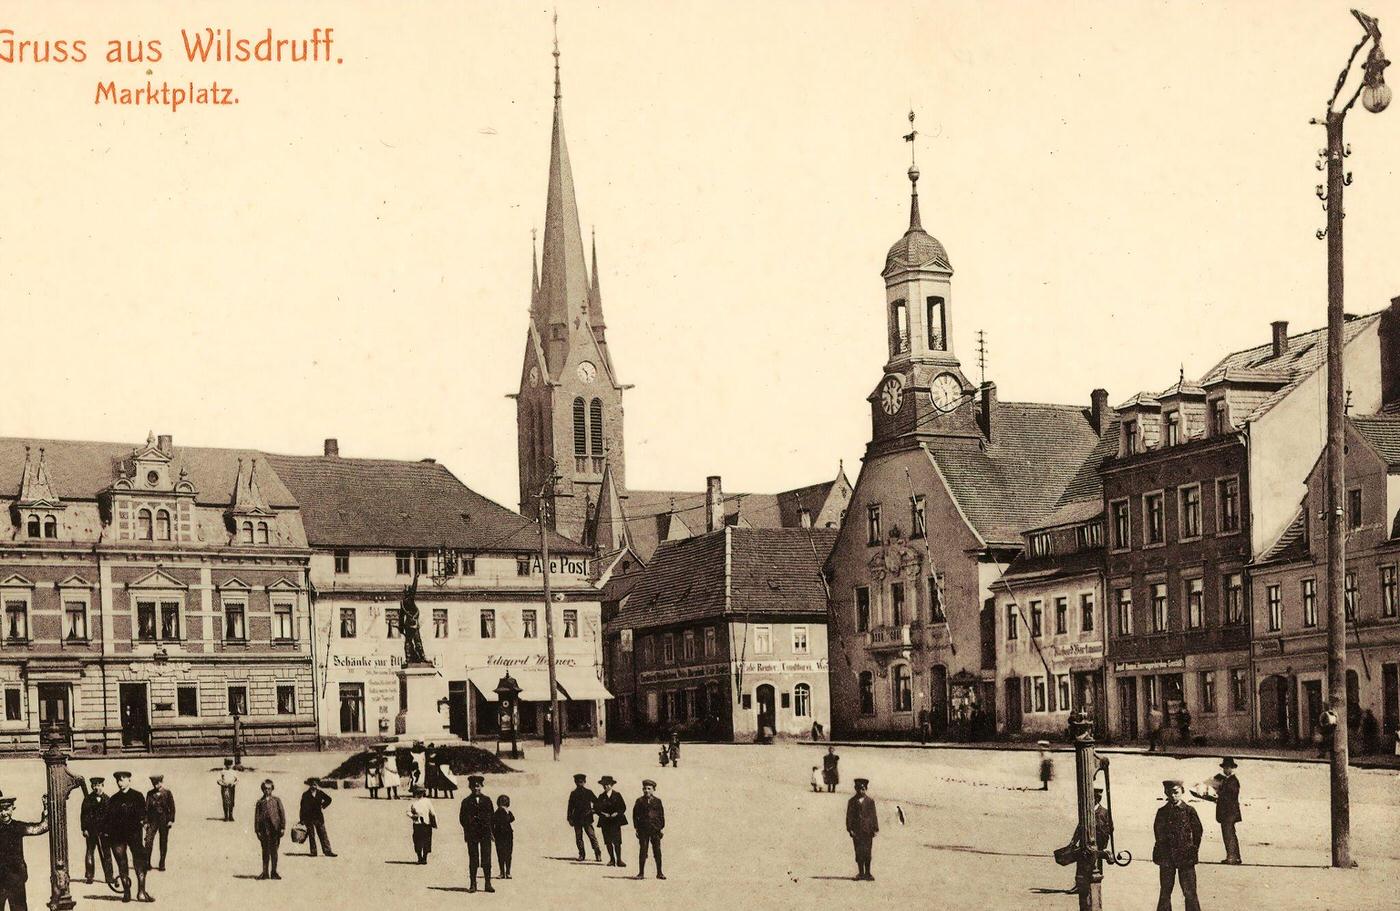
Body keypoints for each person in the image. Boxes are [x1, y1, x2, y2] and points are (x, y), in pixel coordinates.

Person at [1153, 779, 1203, 911]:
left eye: (1176, 792)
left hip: (1185, 857)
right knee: (1165, 892)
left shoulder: (1189, 811)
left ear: (1182, 792)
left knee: (1189, 892)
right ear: (1166, 793)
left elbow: (1198, 832)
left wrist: (1193, 849)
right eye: (1169, 793)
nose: (1173, 796)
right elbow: (1158, 833)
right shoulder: (1162, 812)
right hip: (1167, 858)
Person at [107, 770, 154, 903]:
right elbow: (109, 819)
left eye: (122, 779)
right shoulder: (113, 799)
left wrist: (144, 822)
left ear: (129, 780)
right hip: (117, 837)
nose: (119, 783)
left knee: (139, 861)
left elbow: (143, 814)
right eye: (118, 780)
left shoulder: (138, 796)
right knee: (122, 863)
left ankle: (141, 892)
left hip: (134, 835)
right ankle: (126, 892)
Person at [1063, 787, 1113, 907]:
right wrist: (1074, 841)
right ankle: (1079, 885)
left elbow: (1110, 828)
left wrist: (1104, 840)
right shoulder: (1086, 811)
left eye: (1095, 798)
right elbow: (1079, 827)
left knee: (1096, 864)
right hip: (1085, 843)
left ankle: (1093, 883)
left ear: (1097, 799)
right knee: (1081, 864)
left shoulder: (1104, 812)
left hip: (1099, 844)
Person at [0, 794, 49, 911]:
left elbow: (41, 827)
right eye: (0, 810)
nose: (3, 813)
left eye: (6, 809)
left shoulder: (18, 826)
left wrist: (46, 807)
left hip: (16, 877)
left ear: (12, 808)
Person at [1199, 757, 1242, 864]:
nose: (1226, 769)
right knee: (1229, 834)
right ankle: (1234, 856)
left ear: (1232, 768)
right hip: (1227, 811)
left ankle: (1232, 857)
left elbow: (1230, 795)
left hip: (1230, 812)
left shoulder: (1233, 781)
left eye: (1228, 767)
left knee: (1229, 834)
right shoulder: (1227, 779)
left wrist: (1215, 795)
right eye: (1225, 767)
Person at [459, 775, 494, 893]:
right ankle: (473, 884)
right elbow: (462, 818)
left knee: (487, 858)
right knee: (473, 858)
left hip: (485, 833)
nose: (476, 789)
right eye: (473, 787)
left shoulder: (487, 800)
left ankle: (488, 883)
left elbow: (491, 817)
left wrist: (491, 831)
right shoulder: (466, 802)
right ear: (470, 787)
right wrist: (468, 828)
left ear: (482, 786)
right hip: (472, 834)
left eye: (478, 786)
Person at [80, 776, 116, 887]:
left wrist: (109, 830)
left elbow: (111, 817)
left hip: (104, 832)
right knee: (90, 852)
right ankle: (89, 876)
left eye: (98, 785)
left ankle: (109, 877)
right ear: (91, 786)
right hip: (91, 831)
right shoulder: (87, 799)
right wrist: (84, 829)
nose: (96, 788)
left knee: (107, 853)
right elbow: (83, 815)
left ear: (102, 786)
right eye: (94, 785)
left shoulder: (108, 799)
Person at [845, 777, 879, 881]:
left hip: (867, 831)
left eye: (863, 789)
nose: (861, 791)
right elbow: (849, 816)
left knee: (867, 852)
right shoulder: (852, 801)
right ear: (855, 789)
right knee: (858, 851)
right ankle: (861, 873)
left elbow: (873, 815)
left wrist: (875, 828)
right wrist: (850, 829)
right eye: (859, 789)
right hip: (857, 831)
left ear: (866, 789)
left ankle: (868, 873)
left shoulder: (870, 801)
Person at [632, 779, 665, 880]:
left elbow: (661, 815)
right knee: (643, 850)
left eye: (649, 789)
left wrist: (660, 828)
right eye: (645, 789)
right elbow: (635, 815)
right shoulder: (639, 801)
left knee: (657, 851)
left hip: (655, 830)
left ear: (653, 790)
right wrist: (637, 828)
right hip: (643, 830)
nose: (646, 791)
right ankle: (641, 873)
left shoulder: (658, 801)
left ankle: (659, 873)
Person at [253, 779, 286, 881]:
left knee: (274, 852)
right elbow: (257, 817)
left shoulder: (276, 800)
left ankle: (274, 872)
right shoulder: (260, 802)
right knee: (265, 851)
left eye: (269, 789)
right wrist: (257, 830)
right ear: (262, 789)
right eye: (265, 789)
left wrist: (282, 827)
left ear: (272, 789)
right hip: (264, 830)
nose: (267, 791)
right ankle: (265, 872)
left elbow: (282, 814)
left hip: (275, 830)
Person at [567, 773, 602, 862]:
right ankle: (581, 854)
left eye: (581, 782)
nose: (579, 784)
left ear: (585, 782)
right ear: (575, 782)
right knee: (579, 837)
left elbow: (597, 802)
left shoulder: (588, 792)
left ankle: (597, 853)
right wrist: (569, 818)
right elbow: (570, 807)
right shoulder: (573, 794)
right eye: (578, 782)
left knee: (592, 836)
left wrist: (594, 810)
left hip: (587, 818)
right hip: (577, 819)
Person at [143, 774, 175, 872]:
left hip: (164, 820)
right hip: (152, 820)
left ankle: (162, 863)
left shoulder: (167, 793)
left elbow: (172, 808)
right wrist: (145, 822)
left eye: (158, 783)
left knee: (163, 841)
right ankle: (147, 863)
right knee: (148, 841)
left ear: (161, 782)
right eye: (154, 783)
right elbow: (146, 809)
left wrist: (170, 820)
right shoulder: (149, 794)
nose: (156, 785)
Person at [593, 776, 627, 867]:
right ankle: (612, 859)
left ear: (612, 785)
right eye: (604, 785)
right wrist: (603, 814)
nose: (605, 786)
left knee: (617, 841)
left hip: (615, 821)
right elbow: (596, 808)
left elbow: (623, 807)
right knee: (608, 841)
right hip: (605, 821)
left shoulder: (617, 795)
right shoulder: (601, 796)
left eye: (607, 784)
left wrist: (616, 813)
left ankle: (619, 860)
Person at [299, 778, 336, 857]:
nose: (314, 786)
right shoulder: (305, 794)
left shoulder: (320, 793)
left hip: (319, 817)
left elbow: (329, 799)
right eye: (312, 784)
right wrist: (302, 819)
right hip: (309, 818)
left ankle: (327, 851)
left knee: (323, 834)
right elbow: (302, 807)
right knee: (311, 835)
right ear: (310, 785)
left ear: (317, 785)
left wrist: (323, 805)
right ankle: (313, 852)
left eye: (315, 785)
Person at [407, 786, 437, 864]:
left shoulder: (427, 801)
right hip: (417, 824)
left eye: (421, 792)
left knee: (426, 841)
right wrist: (412, 816)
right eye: (418, 793)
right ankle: (419, 857)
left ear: (424, 793)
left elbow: (432, 812)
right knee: (417, 841)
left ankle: (425, 858)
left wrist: (434, 822)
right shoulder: (413, 802)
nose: (419, 794)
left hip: (426, 824)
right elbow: (408, 811)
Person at [493, 795, 515, 879]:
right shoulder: (499, 811)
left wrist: (507, 812)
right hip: (501, 835)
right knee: (503, 854)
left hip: (506, 835)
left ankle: (506, 872)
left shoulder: (507, 812)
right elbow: (509, 819)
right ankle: (504, 872)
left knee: (506, 853)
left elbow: (512, 819)